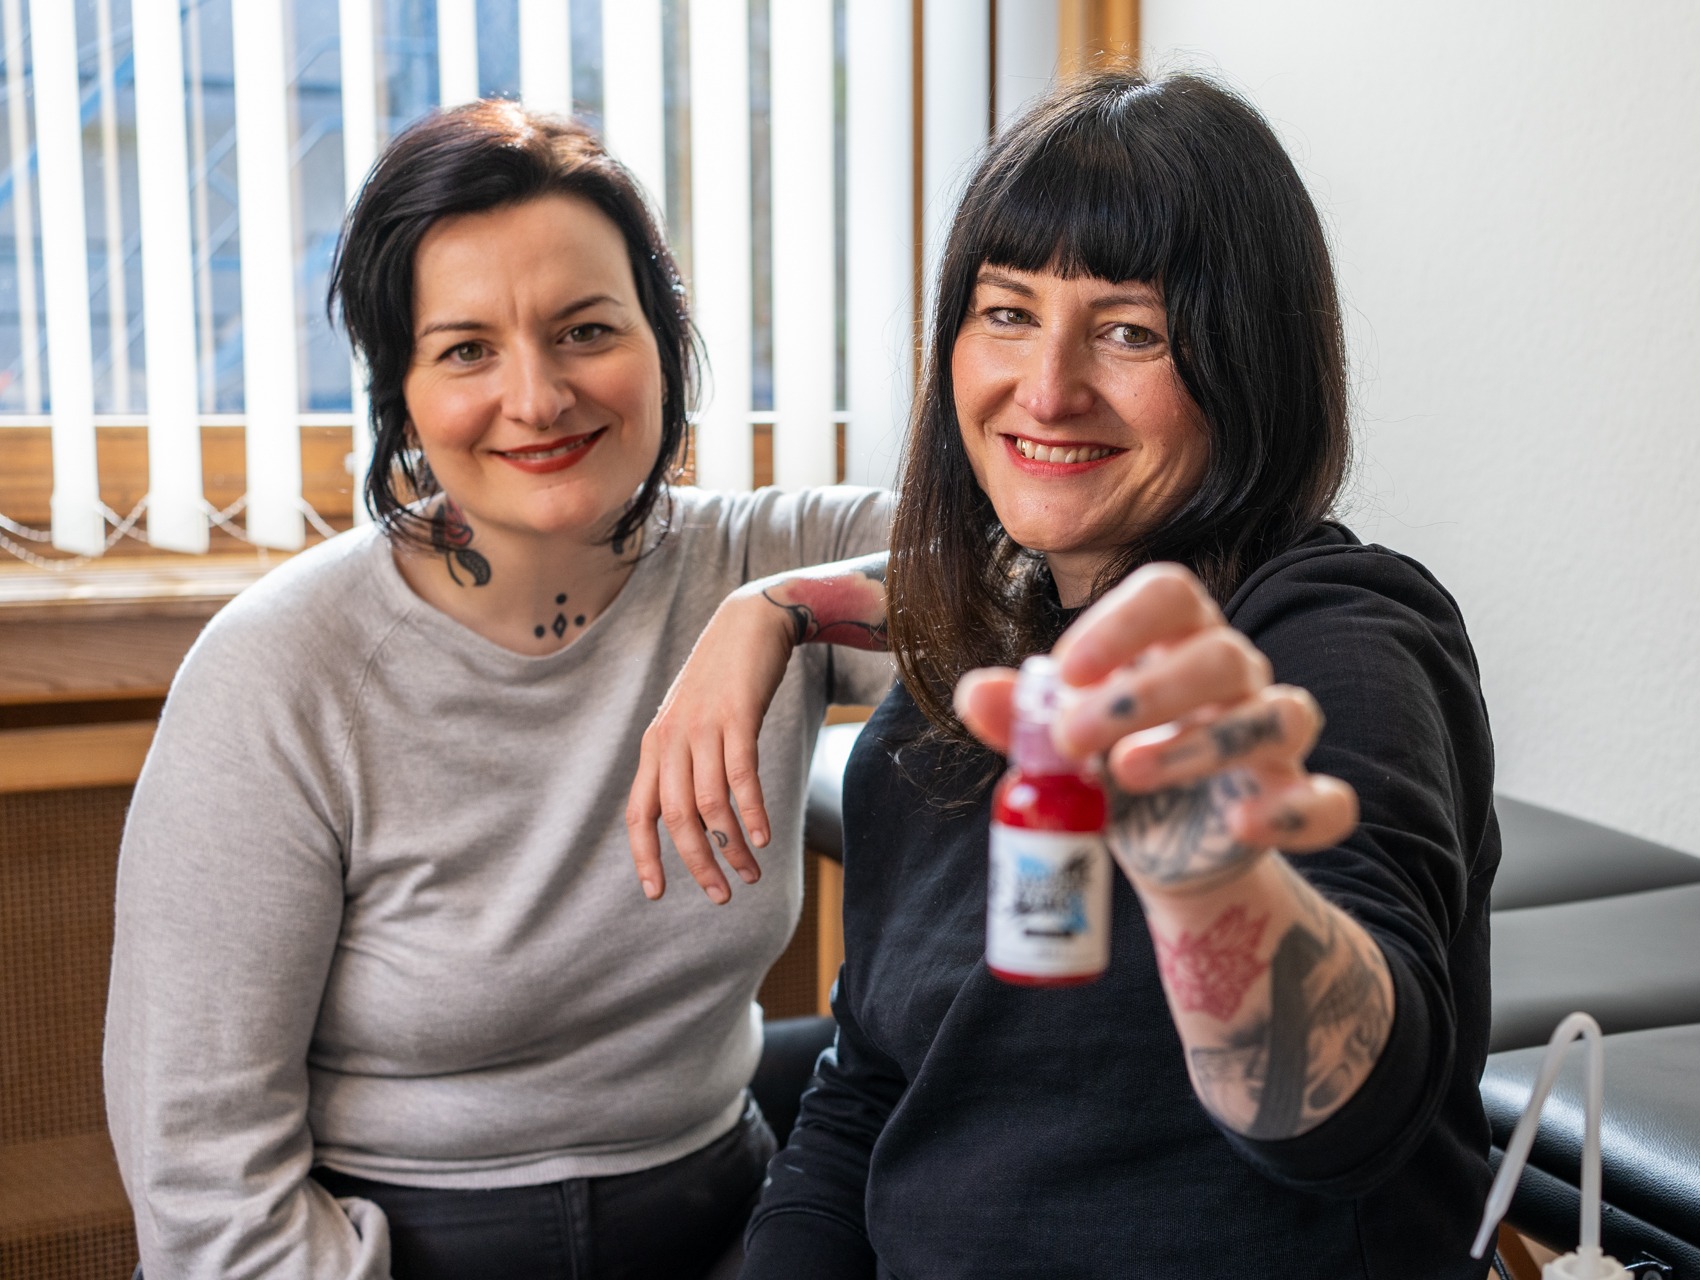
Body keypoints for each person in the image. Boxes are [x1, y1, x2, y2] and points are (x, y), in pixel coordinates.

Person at [629, 71, 1500, 1278]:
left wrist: (1209, 876)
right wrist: (770, 605)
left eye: (1131, 330)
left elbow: (1340, 1119)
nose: (1045, 389)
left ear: (1250, 362)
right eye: (1006, 312)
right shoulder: (971, 668)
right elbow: (873, 1086)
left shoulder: (1338, 638)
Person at [103, 101, 890, 1280]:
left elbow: (1054, 590)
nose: (538, 395)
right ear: (402, 389)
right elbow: (205, 1182)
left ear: (663, 340)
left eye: (586, 330)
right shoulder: (278, 670)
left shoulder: (768, 563)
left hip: (729, 1213)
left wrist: (777, 611)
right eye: (467, 349)